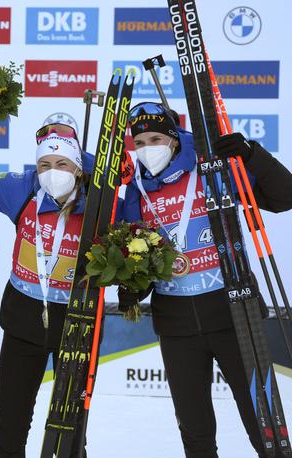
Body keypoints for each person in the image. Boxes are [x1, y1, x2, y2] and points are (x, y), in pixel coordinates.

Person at [119, 101, 292, 458]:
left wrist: (250, 155)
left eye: (156, 138)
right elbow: (142, 261)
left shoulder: (212, 167)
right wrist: (132, 286)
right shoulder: (136, 190)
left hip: (233, 314)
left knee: (264, 425)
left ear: (175, 139)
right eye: (140, 143)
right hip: (177, 327)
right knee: (195, 433)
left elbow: (284, 197)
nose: (148, 149)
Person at [0, 123, 94, 458]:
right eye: (45, 164)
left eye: (62, 165)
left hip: (77, 326)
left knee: (70, 431)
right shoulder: (24, 190)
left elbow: (142, 234)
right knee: (9, 428)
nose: (52, 172)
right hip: (23, 324)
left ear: (78, 168)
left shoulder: (99, 200)